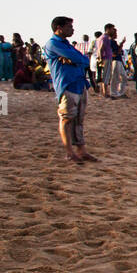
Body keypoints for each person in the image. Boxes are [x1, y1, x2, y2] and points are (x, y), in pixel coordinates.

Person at [43, 17, 97, 163]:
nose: (72, 30)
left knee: (79, 119)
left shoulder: (66, 44)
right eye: (69, 27)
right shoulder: (53, 44)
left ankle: (81, 150)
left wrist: (74, 59)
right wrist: (75, 59)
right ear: (59, 28)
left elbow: (84, 60)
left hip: (79, 84)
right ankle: (69, 152)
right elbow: (79, 58)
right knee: (66, 118)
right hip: (67, 84)